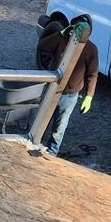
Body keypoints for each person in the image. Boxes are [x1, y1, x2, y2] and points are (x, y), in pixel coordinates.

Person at [36, 15, 97, 157]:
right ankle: (35, 144)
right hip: (52, 89)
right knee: (41, 121)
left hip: (69, 95)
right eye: (75, 28)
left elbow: (92, 74)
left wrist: (89, 96)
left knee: (59, 128)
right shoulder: (62, 39)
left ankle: (52, 154)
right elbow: (42, 46)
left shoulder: (91, 49)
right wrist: (59, 34)